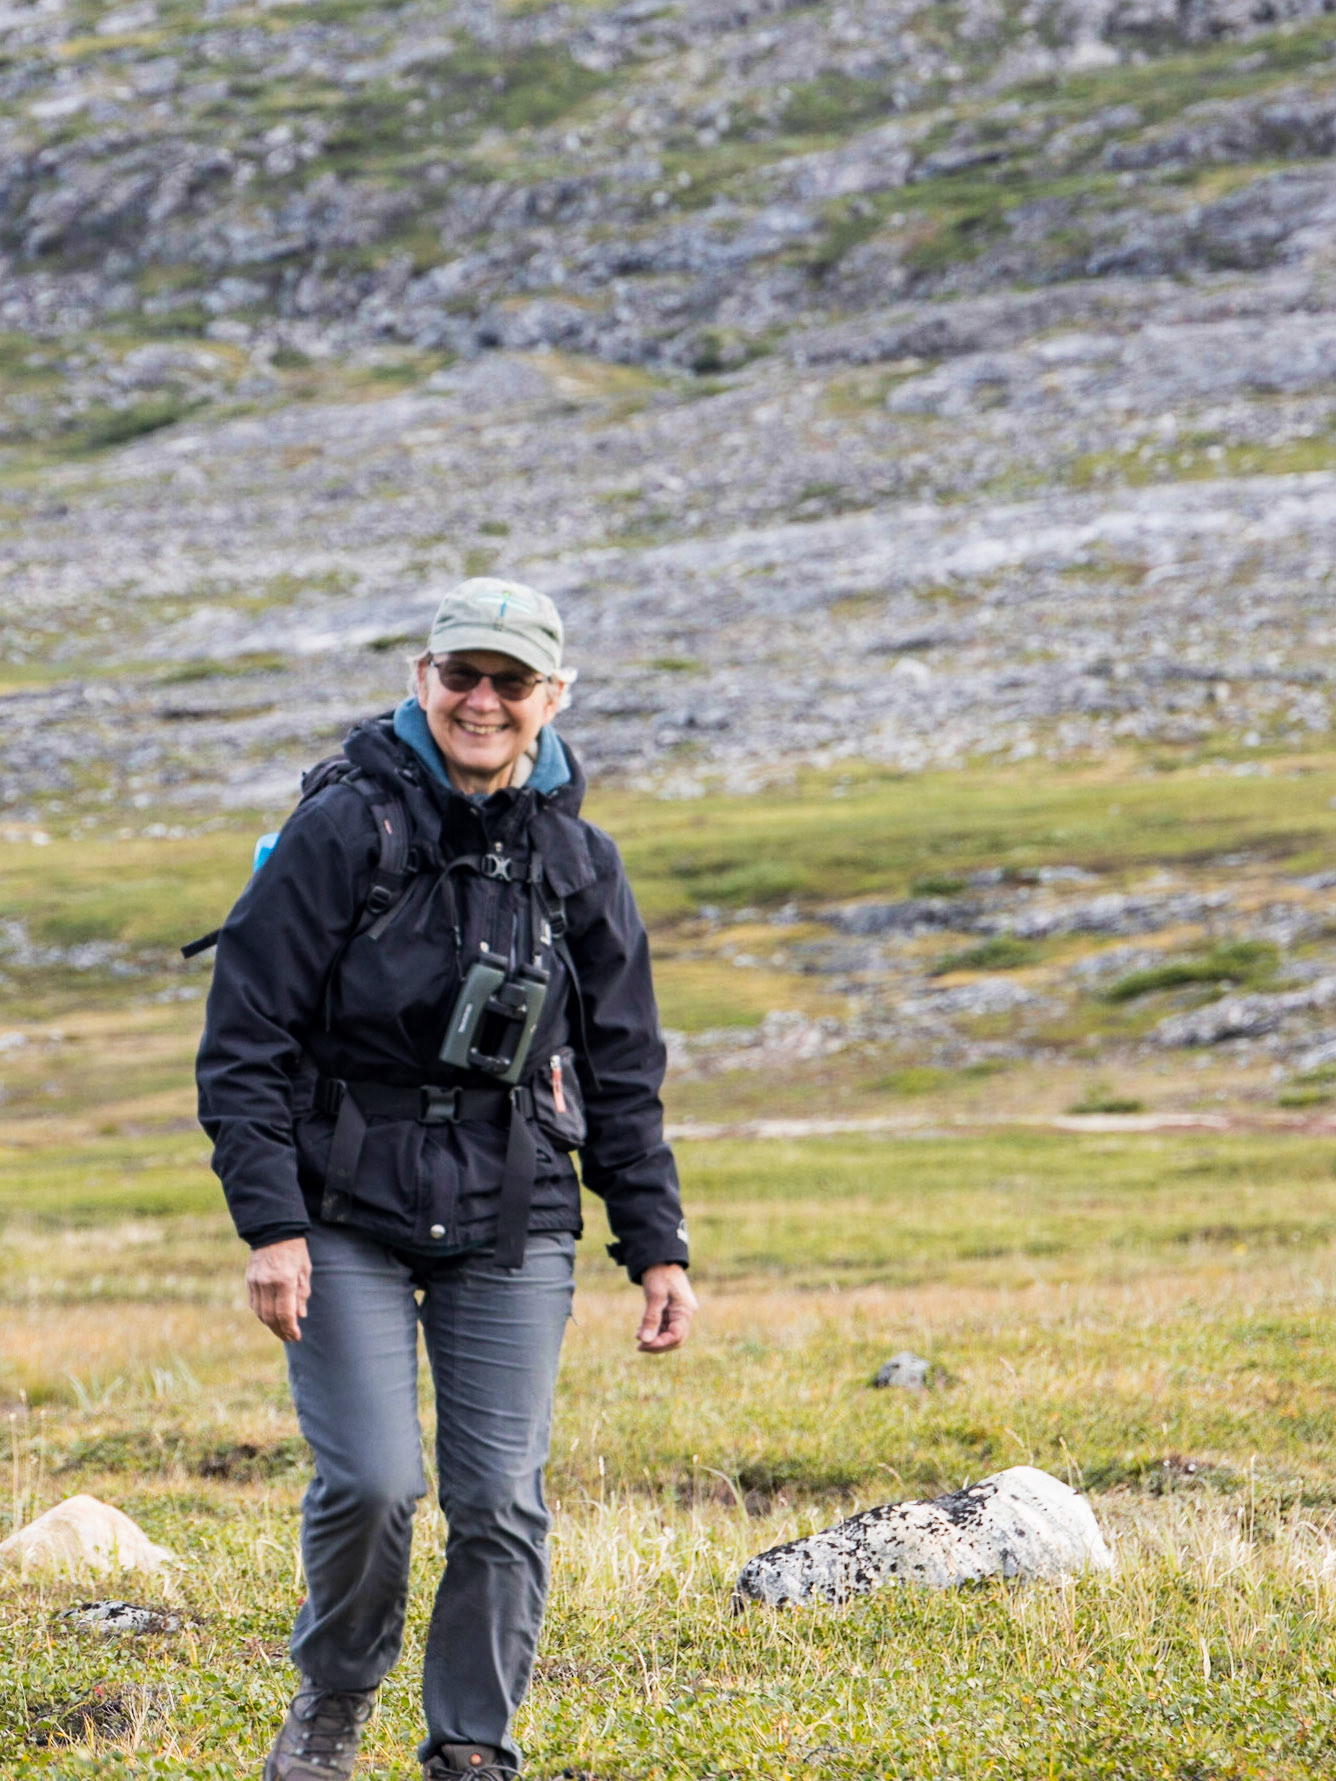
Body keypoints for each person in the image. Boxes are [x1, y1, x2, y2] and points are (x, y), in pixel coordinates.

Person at [195, 577, 696, 1781]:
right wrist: (272, 1223)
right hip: (342, 1197)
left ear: (551, 698)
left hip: (514, 1199)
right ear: (421, 678)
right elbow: (245, 1036)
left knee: (500, 1501)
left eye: (509, 681)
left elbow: (623, 1067)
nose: (482, 699)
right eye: (461, 674)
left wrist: (657, 1242)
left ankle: (470, 1745)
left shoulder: (580, 863)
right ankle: (331, 1700)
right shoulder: (343, 826)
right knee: (372, 1479)